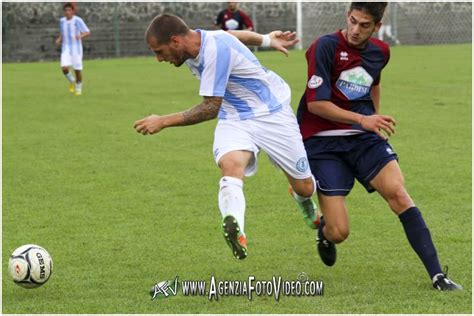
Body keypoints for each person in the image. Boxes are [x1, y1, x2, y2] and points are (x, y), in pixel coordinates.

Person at [297, 2, 461, 291]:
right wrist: (364, 118)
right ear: (348, 16)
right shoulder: (323, 47)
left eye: (364, 25)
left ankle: (438, 276)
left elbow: (374, 83)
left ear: (377, 27)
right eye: (352, 21)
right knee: (340, 231)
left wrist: (373, 118)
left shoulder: (380, 52)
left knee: (398, 193)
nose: (355, 30)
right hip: (322, 142)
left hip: (362, 137)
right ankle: (324, 231)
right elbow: (316, 104)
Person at [133, 14, 319, 260]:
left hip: (271, 114)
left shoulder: (214, 52)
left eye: (160, 51)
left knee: (305, 187)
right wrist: (265, 39)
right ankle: (236, 227)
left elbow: (210, 107)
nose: (159, 58)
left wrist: (163, 121)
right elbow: (232, 35)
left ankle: (302, 199)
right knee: (230, 166)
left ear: (175, 41)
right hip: (234, 116)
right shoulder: (200, 40)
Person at [55, 2, 90, 96]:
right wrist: (59, 39)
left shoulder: (78, 20)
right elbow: (62, 33)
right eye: (66, 10)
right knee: (64, 68)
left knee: (77, 70)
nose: (67, 12)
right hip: (65, 48)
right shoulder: (62, 21)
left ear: (73, 11)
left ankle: (78, 86)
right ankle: (72, 80)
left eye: (69, 10)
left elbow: (87, 32)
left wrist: (80, 36)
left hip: (76, 49)